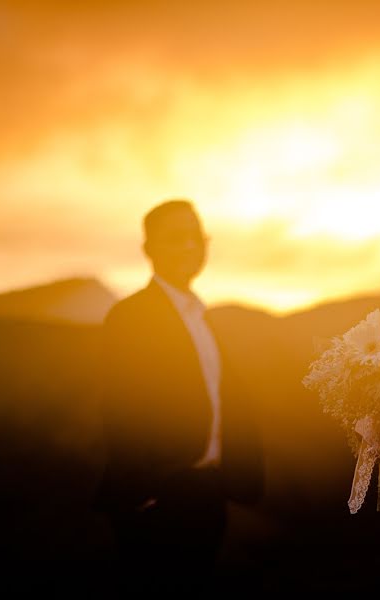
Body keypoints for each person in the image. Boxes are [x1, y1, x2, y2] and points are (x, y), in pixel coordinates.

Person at [93, 199, 263, 595]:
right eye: (175, 238)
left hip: (207, 493)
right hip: (159, 499)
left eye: (196, 236)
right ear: (149, 249)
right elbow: (121, 407)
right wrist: (146, 495)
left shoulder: (202, 317)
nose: (189, 247)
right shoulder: (130, 316)